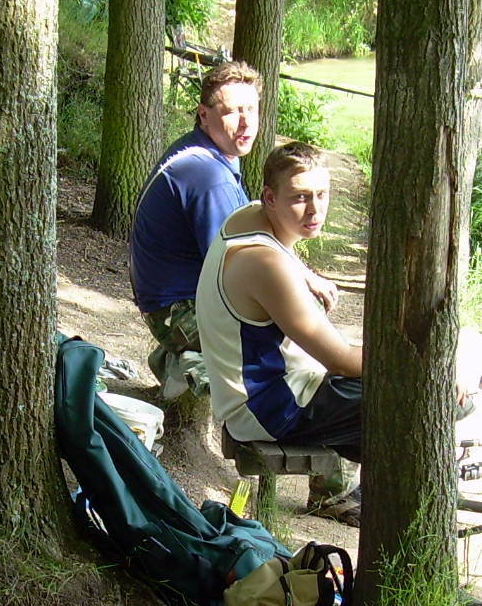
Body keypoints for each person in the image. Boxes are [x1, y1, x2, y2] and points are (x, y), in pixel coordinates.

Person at [197, 142, 476, 524]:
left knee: (415, 400)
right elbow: (340, 360)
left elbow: (278, 254)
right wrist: (435, 372)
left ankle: (392, 491)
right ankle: (405, 510)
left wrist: (306, 274)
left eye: (322, 194)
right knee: (440, 401)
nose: (314, 210)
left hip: (270, 391)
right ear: (270, 198)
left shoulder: (248, 219)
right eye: (300, 198)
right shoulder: (265, 264)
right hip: (271, 408)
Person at [128, 61, 337, 400]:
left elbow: (252, 235)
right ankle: (210, 376)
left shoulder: (206, 153)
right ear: (204, 115)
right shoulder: (209, 176)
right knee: (294, 316)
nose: (246, 122)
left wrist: (304, 273)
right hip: (178, 314)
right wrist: (302, 286)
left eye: (251, 109)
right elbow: (240, 263)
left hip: (170, 304)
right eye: (232, 112)